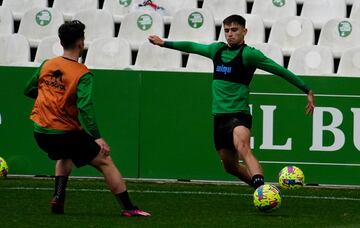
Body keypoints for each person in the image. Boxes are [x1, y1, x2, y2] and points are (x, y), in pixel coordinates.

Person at [148, 15, 315, 189]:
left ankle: (262, 191)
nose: (230, 34)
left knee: (243, 147)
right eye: (226, 30)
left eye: (234, 30)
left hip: (238, 114)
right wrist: (164, 43)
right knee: (230, 166)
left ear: (244, 31)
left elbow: (279, 70)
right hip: (219, 117)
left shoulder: (249, 54)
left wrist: (306, 89)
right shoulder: (216, 50)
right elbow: (192, 46)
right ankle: (264, 189)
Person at [24, 20, 150, 217]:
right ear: (81, 43)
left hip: (40, 132)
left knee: (65, 154)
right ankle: (128, 207)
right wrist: (97, 137)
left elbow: (29, 89)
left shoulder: (47, 64)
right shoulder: (82, 73)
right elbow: (85, 107)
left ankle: (58, 197)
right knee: (105, 161)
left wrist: (52, 100)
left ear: (61, 41)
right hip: (63, 132)